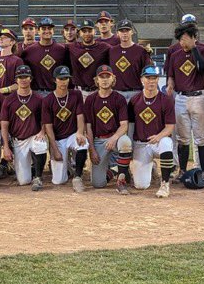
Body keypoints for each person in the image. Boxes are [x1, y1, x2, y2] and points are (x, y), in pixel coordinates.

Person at [164, 15, 204, 179]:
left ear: (193, 37)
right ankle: (182, 170)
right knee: (182, 137)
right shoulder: (175, 54)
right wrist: (170, 84)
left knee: (201, 137)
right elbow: (171, 75)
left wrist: (193, 48)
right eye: (180, 40)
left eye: (185, 39)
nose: (182, 43)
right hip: (181, 97)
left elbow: (201, 68)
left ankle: (203, 171)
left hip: (199, 96)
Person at [128, 65, 176, 198]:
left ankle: (165, 183)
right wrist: (131, 146)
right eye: (148, 78)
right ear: (141, 80)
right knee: (141, 185)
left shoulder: (166, 100)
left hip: (157, 142)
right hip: (141, 143)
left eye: (154, 78)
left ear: (158, 80)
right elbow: (130, 126)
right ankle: (152, 166)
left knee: (166, 142)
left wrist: (159, 136)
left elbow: (170, 127)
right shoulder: (134, 100)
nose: (151, 81)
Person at [84, 65, 132, 193]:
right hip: (99, 140)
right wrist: (92, 150)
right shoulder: (90, 99)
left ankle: (121, 179)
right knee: (98, 184)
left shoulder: (119, 98)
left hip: (115, 138)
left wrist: (114, 137)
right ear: (97, 80)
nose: (105, 80)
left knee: (125, 142)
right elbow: (88, 127)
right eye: (102, 77)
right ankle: (116, 169)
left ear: (113, 79)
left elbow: (124, 125)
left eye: (107, 76)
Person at [0, 64, 47, 190]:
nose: (23, 79)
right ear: (16, 80)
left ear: (31, 79)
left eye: (26, 76)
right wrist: (6, 147)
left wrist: (42, 132)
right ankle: (29, 169)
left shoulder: (38, 98)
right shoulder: (9, 99)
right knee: (23, 181)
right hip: (18, 140)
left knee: (40, 144)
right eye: (20, 77)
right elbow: (4, 125)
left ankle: (38, 177)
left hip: (34, 136)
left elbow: (45, 120)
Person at [42, 65, 87, 193]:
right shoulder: (48, 100)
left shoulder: (76, 94)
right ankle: (67, 168)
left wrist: (80, 132)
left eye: (66, 78)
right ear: (55, 80)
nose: (64, 82)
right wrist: (54, 149)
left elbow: (80, 116)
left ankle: (77, 177)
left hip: (72, 134)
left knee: (83, 144)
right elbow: (48, 127)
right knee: (58, 181)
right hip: (58, 139)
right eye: (61, 79)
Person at [20, 17, 68, 95]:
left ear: (53, 31)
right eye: (43, 28)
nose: (47, 31)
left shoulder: (61, 49)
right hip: (36, 92)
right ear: (38, 31)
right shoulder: (29, 51)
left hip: (56, 92)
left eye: (49, 28)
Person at [68, 20, 110, 98]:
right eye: (84, 31)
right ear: (79, 33)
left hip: (97, 91)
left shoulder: (104, 47)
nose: (87, 33)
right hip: (78, 91)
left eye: (90, 31)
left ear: (95, 31)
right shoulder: (72, 47)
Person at [109, 19, 150, 101]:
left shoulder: (141, 51)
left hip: (135, 92)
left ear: (132, 32)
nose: (124, 33)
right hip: (116, 92)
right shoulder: (112, 51)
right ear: (117, 33)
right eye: (122, 31)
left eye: (127, 30)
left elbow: (147, 72)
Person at [0, 28, 23, 94]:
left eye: (5, 37)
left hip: (9, 98)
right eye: (0, 37)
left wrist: (2, 90)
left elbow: (20, 83)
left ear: (12, 42)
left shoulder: (17, 61)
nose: (1, 39)